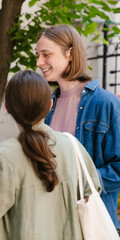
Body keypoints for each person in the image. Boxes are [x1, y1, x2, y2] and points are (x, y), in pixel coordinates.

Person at [0, 70, 101, 240]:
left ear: (8, 108)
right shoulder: (71, 145)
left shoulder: (3, 155)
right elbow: (92, 192)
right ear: (50, 105)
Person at [37, 24, 120, 228]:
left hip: (93, 221)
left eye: (46, 54)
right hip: (55, 221)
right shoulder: (47, 105)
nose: (39, 62)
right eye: (38, 55)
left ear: (70, 53)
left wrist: (79, 181)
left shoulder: (105, 103)